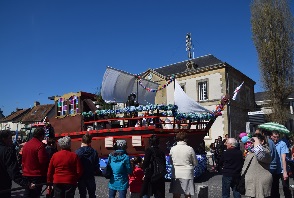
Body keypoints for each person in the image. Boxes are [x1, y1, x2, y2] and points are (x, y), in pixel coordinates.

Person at [0, 130, 35, 198]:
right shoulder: (7, 151)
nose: (11, 141)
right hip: (3, 184)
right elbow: (13, 171)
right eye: (10, 138)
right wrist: (26, 183)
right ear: (4, 139)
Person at [241, 133, 272, 198]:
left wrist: (256, 142)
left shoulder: (266, 151)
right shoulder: (251, 151)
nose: (252, 143)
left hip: (259, 184)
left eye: (253, 141)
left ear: (262, 141)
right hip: (251, 183)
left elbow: (261, 156)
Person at [22, 127, 49, 198]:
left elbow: (23, 159)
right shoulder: (40, 145)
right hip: (36, 174)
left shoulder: (26, 145)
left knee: (27, 193)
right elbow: (42, 161)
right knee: (35, 194)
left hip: (26, 173)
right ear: (42, 135)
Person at [169, 132, 198, 198]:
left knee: (176, 194)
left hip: (176, 173)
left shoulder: (173, 149)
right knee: (188, 194)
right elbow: (195, 162)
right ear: (185, 139)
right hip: (187, 173)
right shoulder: (190, 149)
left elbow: (170, 162)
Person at [75, 133, 100, 198]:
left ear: (82, 141)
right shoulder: (94, 152)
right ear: (90, 142)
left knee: (82, 195)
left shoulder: (77, 152)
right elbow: (96, 165)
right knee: (92, 194)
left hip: (81, 176)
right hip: (90, 175)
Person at [271, 131, 292, 198]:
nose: (276, 139)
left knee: (285, 188)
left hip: (282, 169)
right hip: (274, 169)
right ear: (271, 136)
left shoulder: (282, 144)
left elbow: (283, 159)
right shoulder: (270, 144)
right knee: (274, 189)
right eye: (274, 137)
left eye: (277, 137)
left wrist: (285, 172)